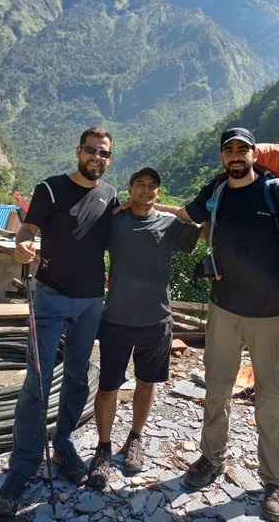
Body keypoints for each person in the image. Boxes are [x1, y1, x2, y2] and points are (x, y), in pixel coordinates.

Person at [151, 128, 279, 522]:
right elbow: (184, 214)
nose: (236, 155)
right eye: (229, 150)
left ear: (254, 153)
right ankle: (211, 458)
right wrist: (140, 206)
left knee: (271, 397)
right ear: (222, 157)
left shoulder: (278, 194)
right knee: (217, 389)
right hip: (223, 309)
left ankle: (275, 481)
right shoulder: (216, 194)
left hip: (271, 312)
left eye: (243, 149)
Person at [0, 126, 118, 516]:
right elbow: (29, 228)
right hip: (50, 297)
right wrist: (22, 244)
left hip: (90, 301)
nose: (97, 158)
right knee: (38, 379)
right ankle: (23, 465)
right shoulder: (49, 189)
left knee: (78, 378)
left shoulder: (110, 194)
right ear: (78, 151)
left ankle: (62, 445)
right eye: (91, 151)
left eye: (104, 153)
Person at [87, 167, 202, 488]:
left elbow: (205, 231)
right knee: (108, 387)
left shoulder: (169, 225)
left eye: (153, 186)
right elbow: (85, 227)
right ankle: (104, 448)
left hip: (157, 321)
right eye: (141, 185)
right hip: (117, 320)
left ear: (159, 192)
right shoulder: (115, 222)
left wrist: (162, 209)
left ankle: (135, 439)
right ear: (130, 188)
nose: (147, 190)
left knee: (146, 383)